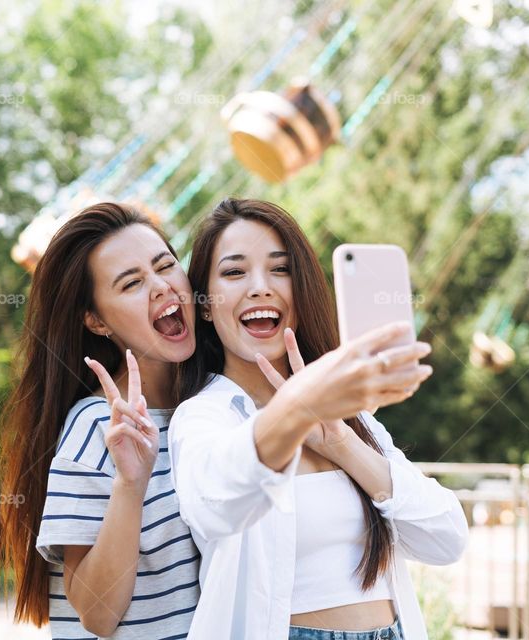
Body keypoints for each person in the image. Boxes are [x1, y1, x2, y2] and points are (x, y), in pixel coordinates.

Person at [170, 198, 469, 639]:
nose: (260, 287)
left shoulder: (351, 418)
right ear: (207, 306)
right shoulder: (205, 416)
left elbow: (446, 539)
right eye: (234, 273)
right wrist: (293, 411)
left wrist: (343, 444)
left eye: (280, 269)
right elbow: (215, 502)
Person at [0, 202, 200, 638]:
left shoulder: (211, 407)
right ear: (96, 320)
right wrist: (131, 484)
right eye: (132, 283)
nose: (162, 286)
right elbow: (97, 614)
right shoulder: (98, 425)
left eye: (166, 265)